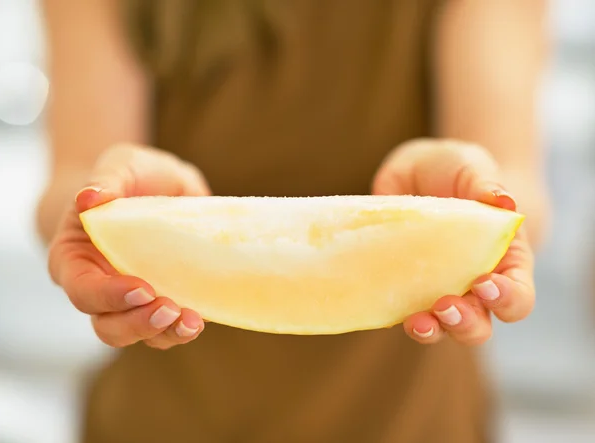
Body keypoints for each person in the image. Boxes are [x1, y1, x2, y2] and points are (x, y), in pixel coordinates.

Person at [38, 0, 550, 442]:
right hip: (162, 422)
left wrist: (479, 192)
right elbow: (76, 176)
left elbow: (512, 181)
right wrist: (95, 207)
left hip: (410, 423)